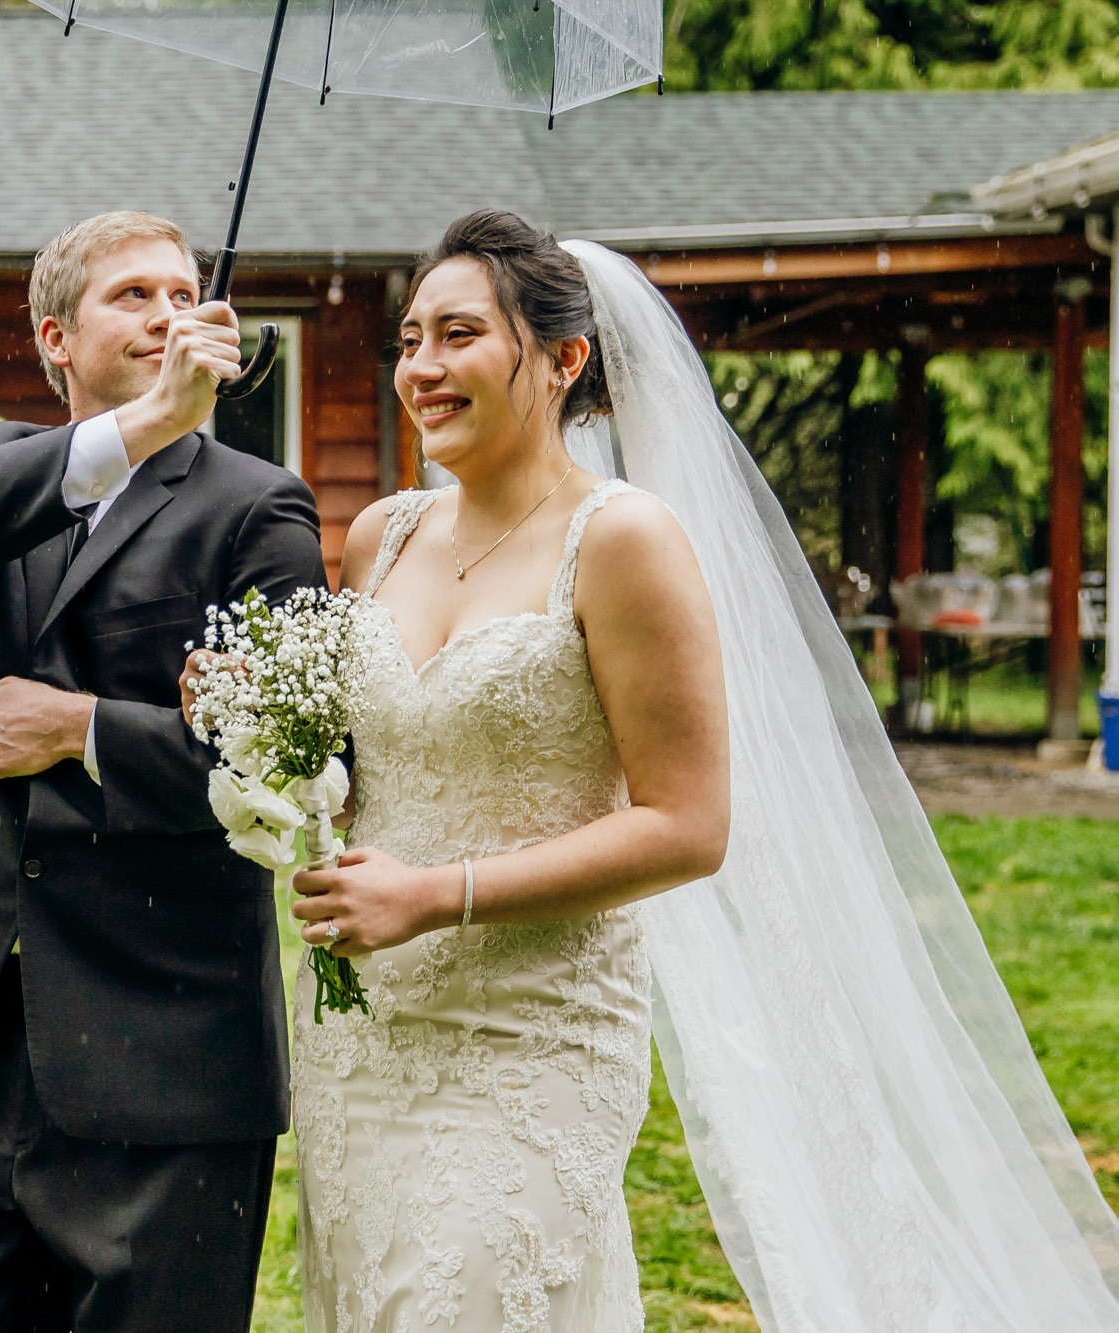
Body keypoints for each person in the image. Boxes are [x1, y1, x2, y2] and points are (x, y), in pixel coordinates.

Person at [270, 209, 1119, 1331]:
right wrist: (259, 740)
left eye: (459, 335)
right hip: (364, 1035)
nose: (420, 368)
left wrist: (437, 894)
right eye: (409, 338)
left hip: (529, 1029)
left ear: (563, 359)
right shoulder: (379, 534)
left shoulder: (621, 540)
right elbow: (370, 758)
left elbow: (686, 823)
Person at [0, 210, 327, 1331]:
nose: (165, 313)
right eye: (131, 296)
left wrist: (82, 727)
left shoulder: (259, 507)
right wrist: (144, 422)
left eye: (181, 294)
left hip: (163, 1041)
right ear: (54, 337)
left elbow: (297, 757)